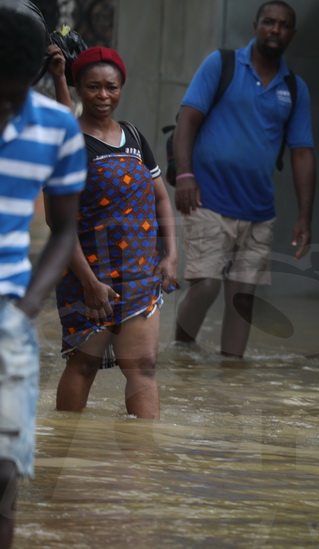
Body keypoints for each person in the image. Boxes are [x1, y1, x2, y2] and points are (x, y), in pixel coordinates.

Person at [172, 0, 316, 358]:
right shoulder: (220, 64)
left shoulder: (295, 89)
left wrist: (304, 216)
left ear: (292, 35)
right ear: (256, 25)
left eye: (283, 25)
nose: (275, 30)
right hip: (207, 199)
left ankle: (230, 374)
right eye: (269, 22)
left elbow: (302, 153)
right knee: (205, 285)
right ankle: (181, 352)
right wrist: (186, 175)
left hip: (258, 211)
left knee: (242, 299)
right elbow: (186, 122)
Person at [46, 46, 178, 420]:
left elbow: (161, 200)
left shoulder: (134, 136)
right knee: (83, 366)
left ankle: (142, 461)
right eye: (93, 87)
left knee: (143, 368)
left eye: (111, 87)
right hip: (88, 277)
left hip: (140, 274)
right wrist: (88, 282)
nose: (103, 95)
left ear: (122, 88)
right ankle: (65, 448)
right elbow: (59, 224)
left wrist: (170, 255)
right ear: (79, 89)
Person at [0, 7, 85, 547]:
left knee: (5, 469)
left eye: (10, 97)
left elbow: (64, 230)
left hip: (9, 316)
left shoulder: (57, 128)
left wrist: (25, 309)